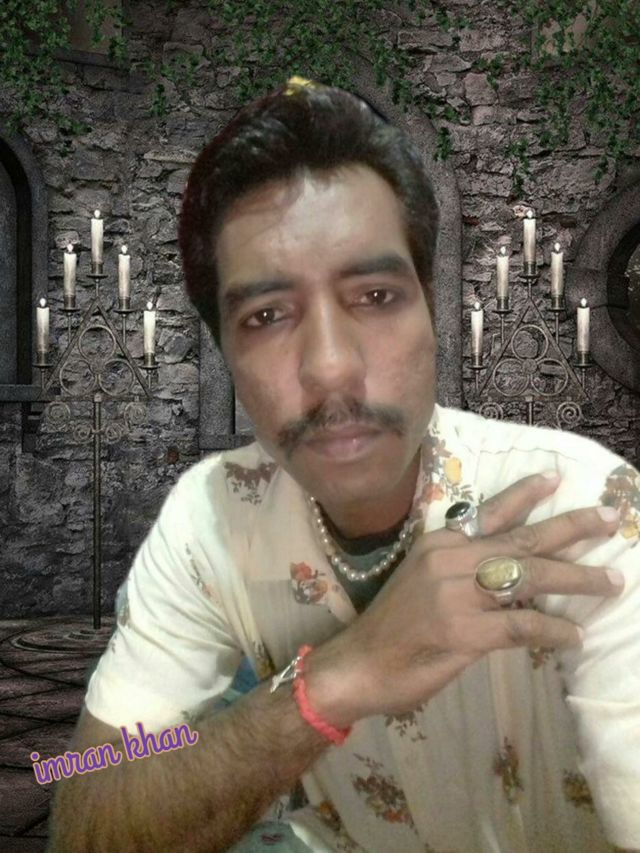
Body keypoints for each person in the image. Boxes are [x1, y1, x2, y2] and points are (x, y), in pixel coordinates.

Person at [49, 78, 640, 852]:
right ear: (225, 355)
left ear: (431, 308)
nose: (330, 366)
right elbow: (88, 789)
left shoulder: (584, 508)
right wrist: (332, 680)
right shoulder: (209, 519)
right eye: (266, 315)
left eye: (375, 295)